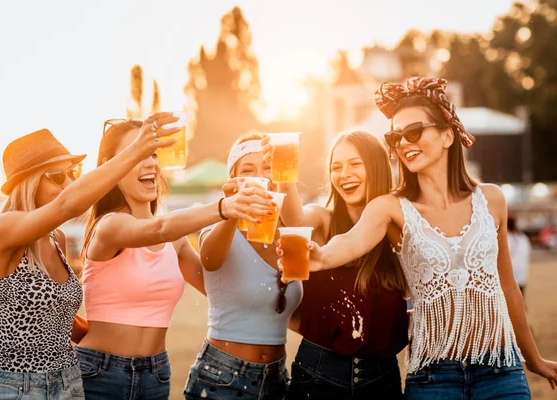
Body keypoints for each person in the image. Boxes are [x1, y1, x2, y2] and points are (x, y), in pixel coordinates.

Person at [281, 78, 557, 399]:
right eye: (395, 136)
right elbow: (350, 241)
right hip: (434, 379)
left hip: (501, 371)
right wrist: (319, 257)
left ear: (447, 135)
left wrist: (532, 358)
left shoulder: (492, 199)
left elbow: (508, 287)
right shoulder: (391, 208)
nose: (402, 142)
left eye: (413, 131)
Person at [0, 114, 179, 400]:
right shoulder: (3, 229)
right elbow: (68, 204)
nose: (68, 183)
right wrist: (135, 150)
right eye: (57, 175)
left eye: (73, 173)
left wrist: (114, 340)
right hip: (14, 386)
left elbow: (59, 316)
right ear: (28, 183)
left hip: (68, 383)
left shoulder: (57, 239)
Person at [76, 120, 275, 400]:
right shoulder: (109, 227)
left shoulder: (176, 241)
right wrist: (224, 207)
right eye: (137, 154)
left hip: (155, 374)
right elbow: (159, 229)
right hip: (100, 373)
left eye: (154, 155)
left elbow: (222, 292)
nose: (150, 164)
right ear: (112, 165)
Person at [262, 130, 408, 399]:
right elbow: (295, 221)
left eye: (355, 164)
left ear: (376, 166)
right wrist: (283, 169)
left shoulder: (396, 226)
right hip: (318, 373)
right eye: (336, 167)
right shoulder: (322, 219)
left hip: (381, 378)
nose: (344, 174)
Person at [183, 132, 303, 400]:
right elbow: (210, 260)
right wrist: (231, 212)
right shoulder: (220, 230)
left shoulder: (292, 234)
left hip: (277, 379)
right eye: (247, 170)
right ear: (233, 181)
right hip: (221, 378)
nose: (259, 176)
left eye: (268, 168)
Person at [507, 216, 531, 298]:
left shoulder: (506, 238)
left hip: (510, 273)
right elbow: (528, 252)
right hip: (522, 271)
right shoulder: (523, 237)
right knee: (520, 298)